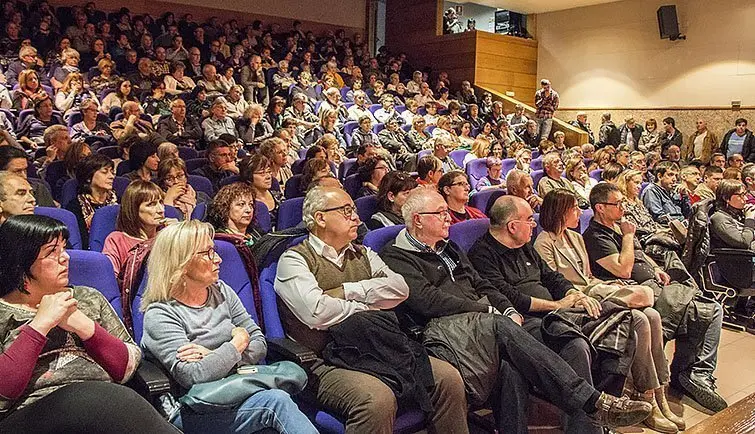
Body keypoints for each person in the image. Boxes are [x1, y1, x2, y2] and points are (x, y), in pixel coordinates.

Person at [380, 188, 652, 433]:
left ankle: (585, 429)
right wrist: (489, 310)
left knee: (559, 343)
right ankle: (593, 403)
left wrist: (507, 309)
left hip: (487, 325)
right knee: (503, 328)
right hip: (446, 332)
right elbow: (429, 302)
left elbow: (481, 283)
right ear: (418, 219)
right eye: (440, 213)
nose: (448, 218)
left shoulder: (447, 247)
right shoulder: (396, 256)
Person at [274, 186, 469, 433]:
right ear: (320, 218)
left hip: (376, 347)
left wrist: (346, 291)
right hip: (324, 360)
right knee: (376, 400)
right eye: (346, 211)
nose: (356, 217)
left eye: (354, 210)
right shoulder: (294, 260)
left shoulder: (363, 253)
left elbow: (400, 289)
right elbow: (316, 313)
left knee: (448, 378)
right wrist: (368, 305)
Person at [0, 215, 178, 433]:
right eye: (51, 252)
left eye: (63, 248)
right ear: (21, 263)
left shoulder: (87, 298)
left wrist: (83, 326)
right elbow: (2, 394)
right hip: (32, 415)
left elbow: (126, 369)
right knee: (90, 398)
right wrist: (40, 325)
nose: (65, 258)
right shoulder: (3, 312)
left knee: (104, 400)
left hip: (106, 410)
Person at [140, 220, 318, 433]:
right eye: (207, 253)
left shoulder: (221, 291)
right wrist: (238, 342)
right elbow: (193, 376)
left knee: (274, 409)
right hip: (190, 409)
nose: (218, 259)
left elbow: (259, 344)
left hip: (237, 391)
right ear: (182, 262)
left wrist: (212, 355)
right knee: (275, 402)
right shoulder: (160, 313)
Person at [532, 190, 684, 431]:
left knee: (653, 315)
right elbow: (555, 283)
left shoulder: (575, 237)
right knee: (641, 313)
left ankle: (658, 393)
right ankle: (645, 397)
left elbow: (588, 275)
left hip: (593, 288)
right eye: (574, 209)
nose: (579, 213)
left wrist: (609, 285)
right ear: (560, 212)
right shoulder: (544, 242)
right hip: (578, 299)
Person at [582, 182, 726, 413]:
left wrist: (653, 266)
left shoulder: (618, 226)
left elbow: (639, 255)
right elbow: (623, 270)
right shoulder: (596, 235)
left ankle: (693, 371)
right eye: (617, 203)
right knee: (705, 310)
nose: (623, 207)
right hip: (636, 290)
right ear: (600, 208)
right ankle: (692, 373)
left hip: (653, 283)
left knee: (708, 306)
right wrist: (628, 235)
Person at [65, 154, 118, 249]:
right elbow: (81, 243)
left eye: (112, 172)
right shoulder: (75, 207)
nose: (111, 176)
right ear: (89, 177)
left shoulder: (120, 201)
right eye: (104, 172)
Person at [239, 154, 281, 224]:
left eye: (269, 172)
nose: (268, 177)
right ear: (249, 177)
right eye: (262, 173)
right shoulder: (246, 204)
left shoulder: (277, 195)